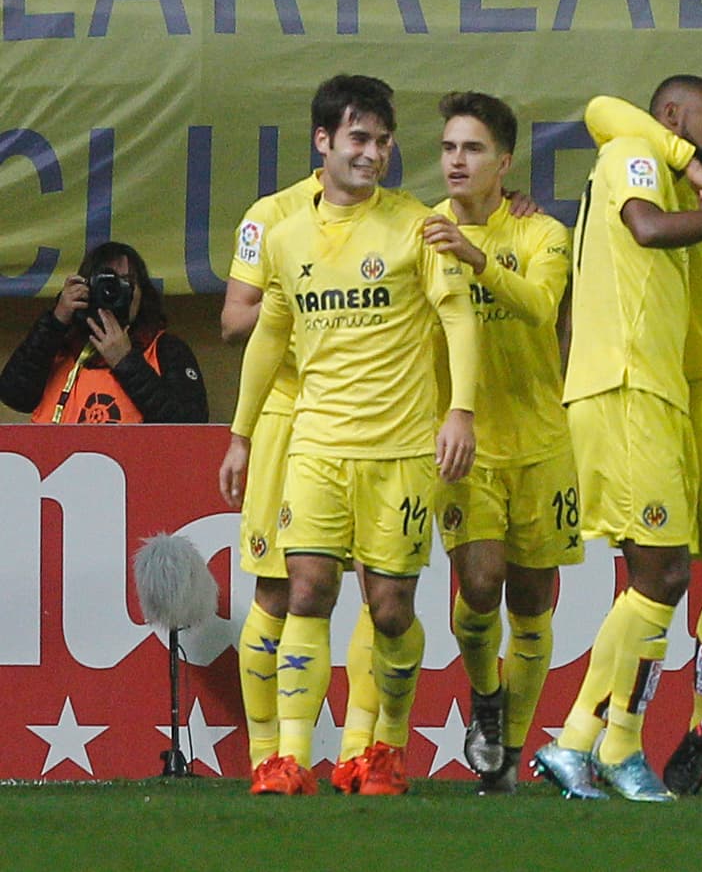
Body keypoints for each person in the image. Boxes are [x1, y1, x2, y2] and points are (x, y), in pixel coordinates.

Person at [531, 75, 702, 802]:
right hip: (624, 386)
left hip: (654, 392)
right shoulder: (634, 153)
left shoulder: (674, 177)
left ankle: (607, 744)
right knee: (661, 576)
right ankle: (584, 742)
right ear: (672, 116)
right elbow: (643, 219)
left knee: (664, 577)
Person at [218, 74, 479, 796]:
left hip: (400, 451)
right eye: (359, 138)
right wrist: (241, 433)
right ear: (323, 141)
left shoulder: (417, 227)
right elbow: (268, 336)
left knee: (390, 609)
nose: (373, 153)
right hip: (316, 445)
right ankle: (288, 759)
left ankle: (386, 746)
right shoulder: (285, 235)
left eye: (384, 141)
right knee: (307, 590)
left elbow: (458, 316)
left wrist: (460, 411)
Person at [418, 91, 583, 795]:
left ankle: (509, 750)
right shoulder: (421, 232)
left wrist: (479, 257)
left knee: (534, 601)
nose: (457, 160)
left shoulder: (542, 232)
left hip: (543, 440)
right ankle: (486, 697)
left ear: (505, 161)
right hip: (467, 443)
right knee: (480, 583)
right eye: (449, 147)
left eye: (474, 148)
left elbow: (542, 306)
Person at [0, 241, 207, 424]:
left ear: (141, 293)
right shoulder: (61, 344)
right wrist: (56, 320)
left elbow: (190, 425)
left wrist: (126, 362)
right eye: (105, 283)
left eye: (126, 282)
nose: (113, 291)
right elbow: (14, 396)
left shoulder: (165, 349)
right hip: (56, 457)